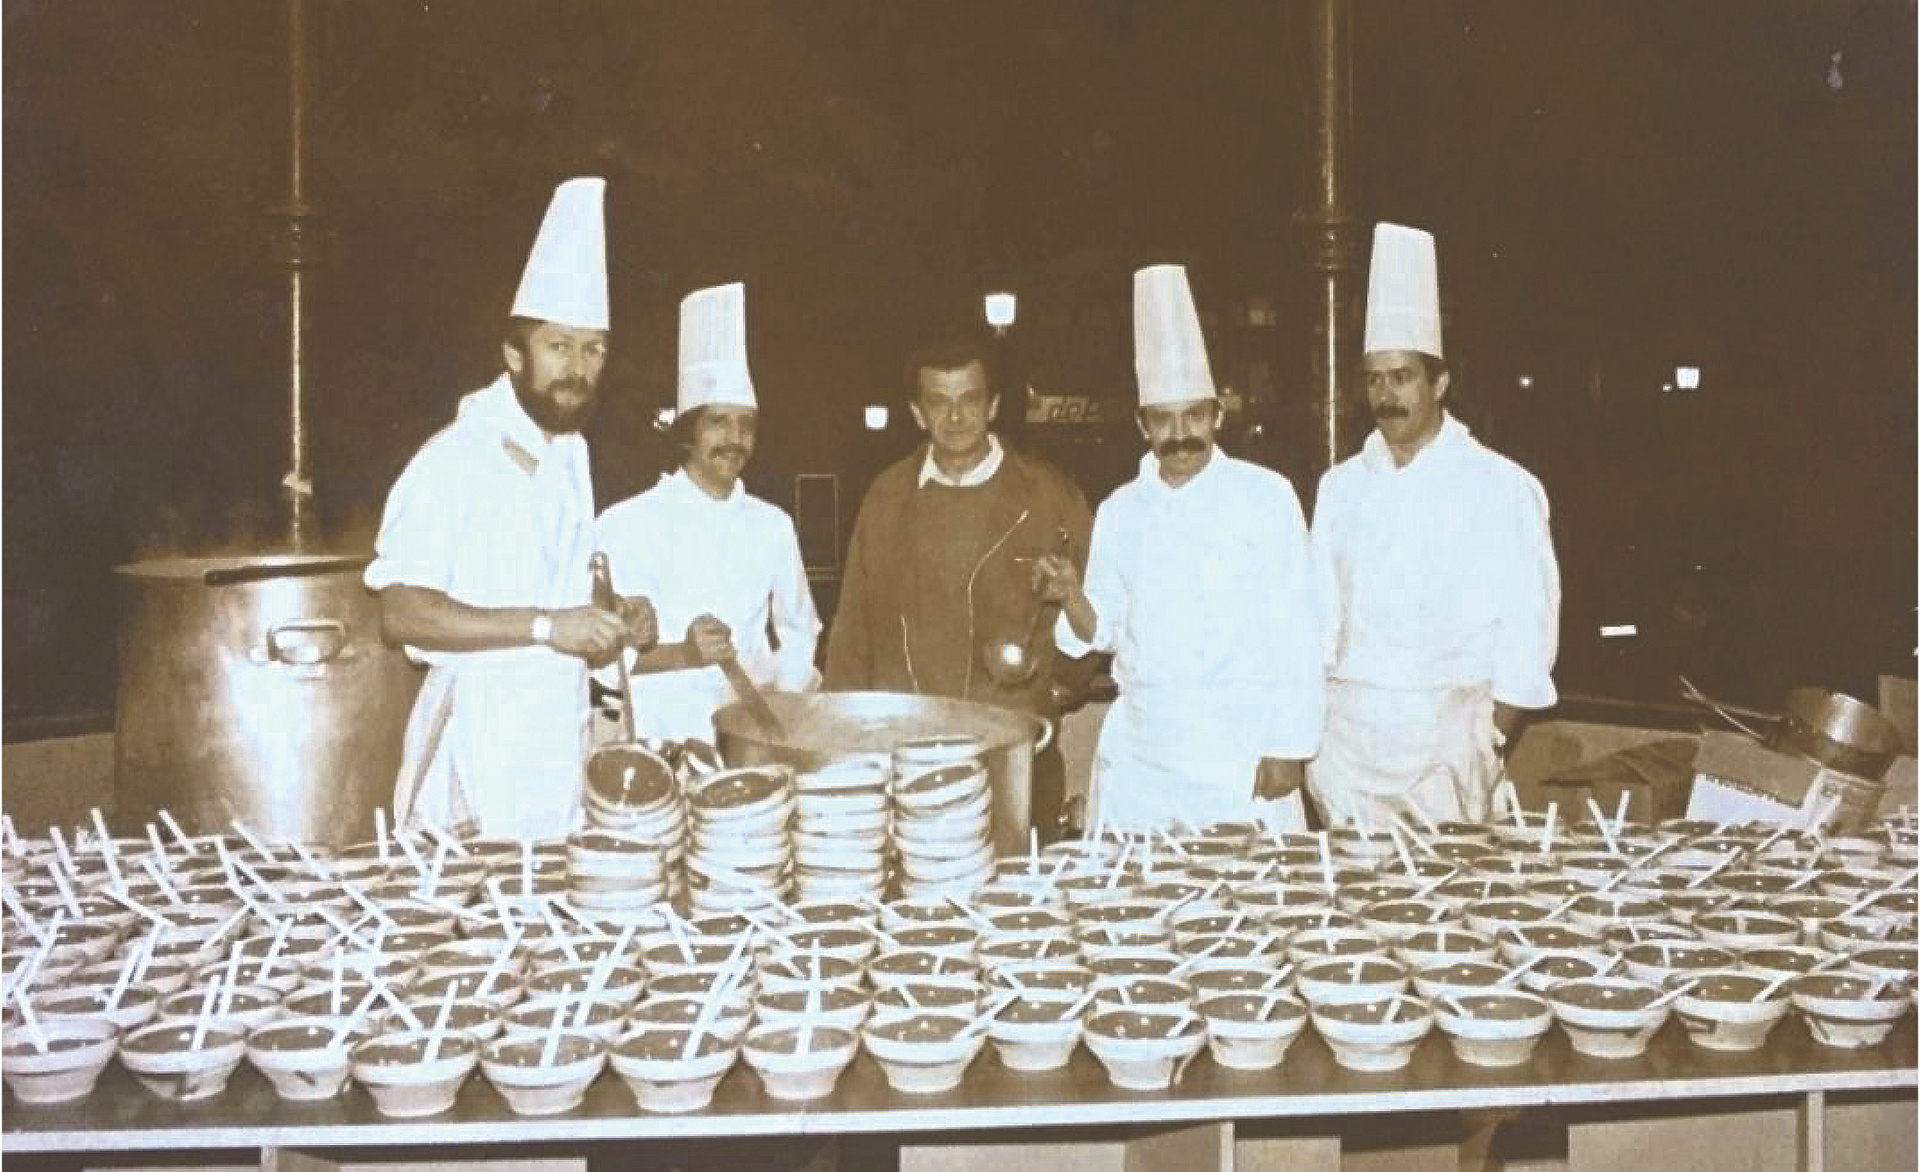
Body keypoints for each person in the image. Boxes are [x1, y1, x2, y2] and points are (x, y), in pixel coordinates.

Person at [366, 177, 657, 838]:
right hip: (478, 753)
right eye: (558, 347)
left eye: (594, 349)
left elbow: (554, 591)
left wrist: (613, 618)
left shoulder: (570, 456)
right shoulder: (454, 459)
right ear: (513, 355)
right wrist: (546, 627)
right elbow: (401, 612)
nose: (578, 369)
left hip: (558, 748)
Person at [1034, 265, 1323, 832]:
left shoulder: (1266, 497)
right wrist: (1071, 596)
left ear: (1219, 415)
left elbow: (1298, 627)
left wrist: (1289, 746)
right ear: (1144, 426)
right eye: (1164, 419)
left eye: (1194, 415)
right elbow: (1105, 628)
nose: (1180, 433)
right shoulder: (1121, 510)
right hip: (1145, 753)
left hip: (1238, 752)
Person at [1308, 222, 1561, 828]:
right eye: (1374, 378)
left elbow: (1527, 634)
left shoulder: (1502, 488)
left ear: (1440, 382)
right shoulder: (1340, 488)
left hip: (1447, 751)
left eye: (1402, 377)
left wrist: (1485, 742)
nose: (1385, 395)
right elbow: (1319, 620)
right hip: (1347, 754)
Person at [824, 323, 1091, 839]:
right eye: (938, 402)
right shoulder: (887, 499)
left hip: (1016, 766)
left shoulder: (1050, 497)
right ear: (916, 413)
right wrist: (844, 742)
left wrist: (1051, 691)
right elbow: (852, 630)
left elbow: (1094, 619)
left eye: (969, 400)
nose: (955, 417)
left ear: (992, 406)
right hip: (903, 764)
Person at [595, 282, 821, 745]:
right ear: (688, 433)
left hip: (751, 739)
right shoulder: (623, 525)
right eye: (718, 422)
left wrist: (785, 702)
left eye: (746, 425)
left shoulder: (773, 526)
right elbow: (603, 660)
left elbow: (800, 629)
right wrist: (683, 654)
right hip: (658, 742)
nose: (734, 439)